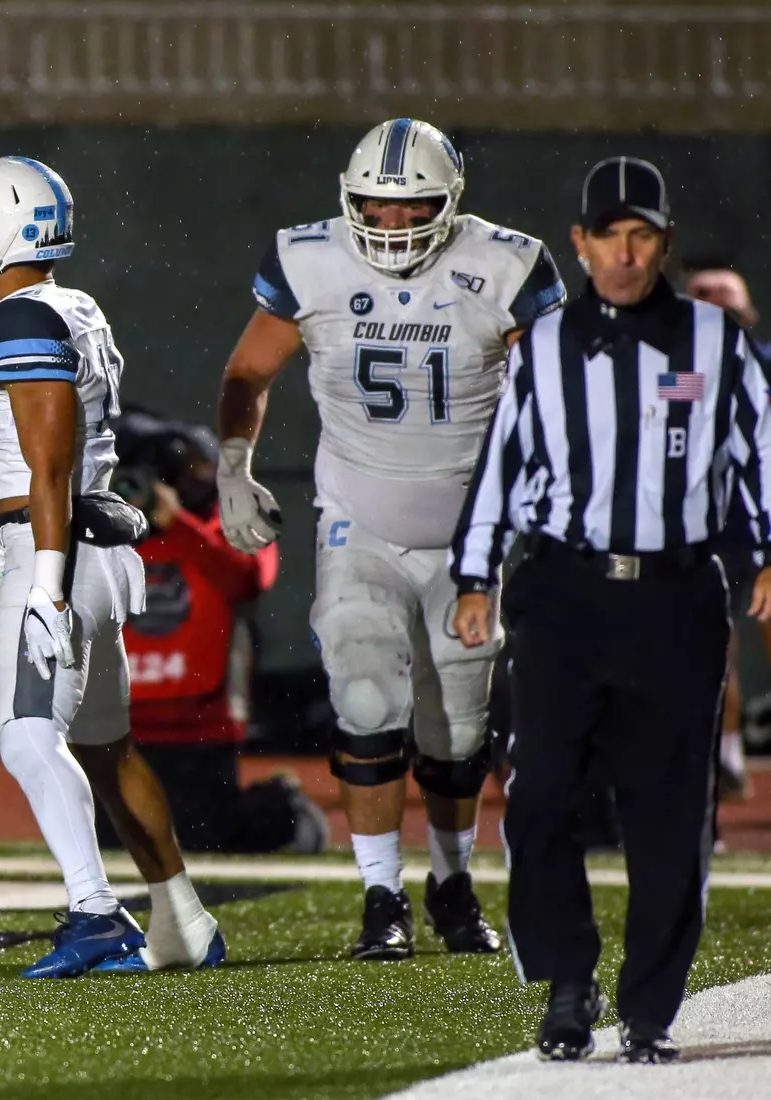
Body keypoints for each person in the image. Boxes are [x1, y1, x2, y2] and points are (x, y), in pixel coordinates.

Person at [215, 118, 566, 960]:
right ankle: (381, 895)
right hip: (358, 523)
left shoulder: (507, 263)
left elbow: (555, 391)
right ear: (349, 197)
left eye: (415, 207)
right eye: (377, 204)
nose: (394, 222)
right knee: (367, 701)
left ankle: (452, 883)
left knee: (459, 731)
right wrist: (233, 464)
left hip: (471, 537)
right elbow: (248, 371)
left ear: (452, 203)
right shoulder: (310, 259)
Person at [451, 157, 771, 1064]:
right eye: (609, 237)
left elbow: (760, 453)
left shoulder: (715, 341)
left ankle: (650, 1007)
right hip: (564, 592)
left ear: (662, 244)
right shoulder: (544, 345)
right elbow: (502, 464)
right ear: (580, 244)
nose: (625, 256)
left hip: (677, 595)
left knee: (670, 812)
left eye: (642, 237)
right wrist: (475, 577)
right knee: (540, 793)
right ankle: (567, 980)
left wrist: (767, 554)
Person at [0, 157, 224, 978]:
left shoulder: (19, 318)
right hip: (87, 549)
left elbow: (50, 465)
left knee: (27, 736)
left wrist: (41, 577)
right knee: (107, 749)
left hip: (60, 550)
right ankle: (186, 922)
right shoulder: (75, 306)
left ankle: (96, 913)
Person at [107, 415, 325, 854]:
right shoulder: (108, 535)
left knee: (203, 837)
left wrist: (178, 523)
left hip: (201, 723)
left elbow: (247, 578)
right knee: (113, 841)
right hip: (121, 722)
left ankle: (285, 808)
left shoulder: (230, 524)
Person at [683, 260, 769, 801]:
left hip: (758, 523)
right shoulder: (670, 372)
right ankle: (727, 754)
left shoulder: (764, 366)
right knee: (716, 642)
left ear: (748, 314)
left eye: (726, 310)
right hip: (711, 530)